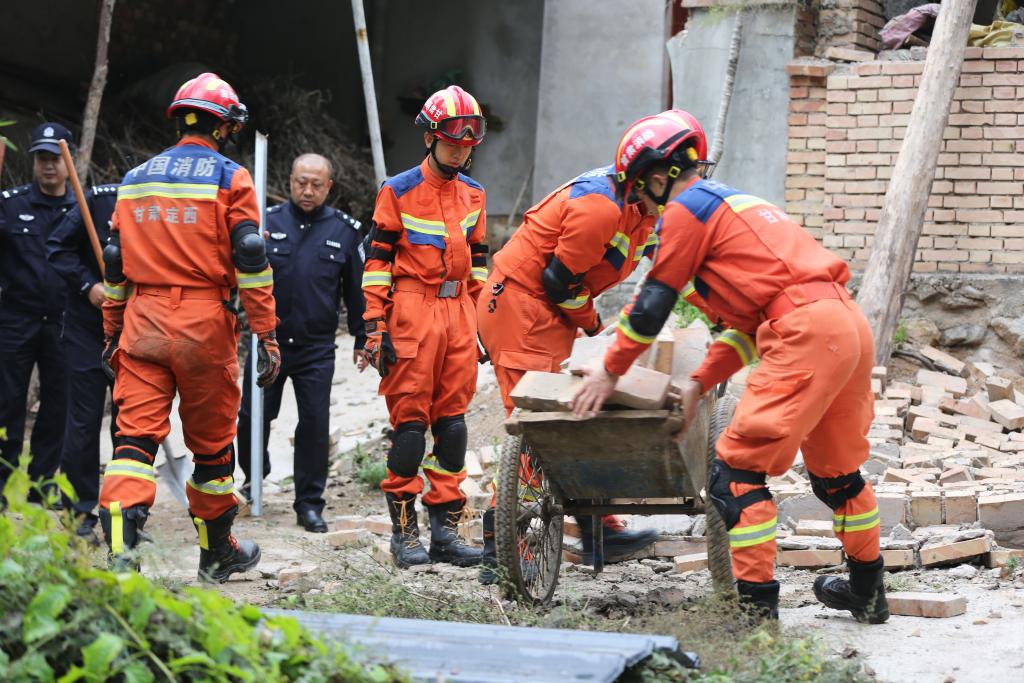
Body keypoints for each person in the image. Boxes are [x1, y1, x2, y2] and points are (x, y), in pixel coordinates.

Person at [572, 110, 887, 624]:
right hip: (844, 322)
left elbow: (652, 303)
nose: (640, 204)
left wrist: (610, 369)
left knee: (736, 475)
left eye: (639, 191)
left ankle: (756, 616)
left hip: (805, 329)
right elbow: (746, 329)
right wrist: (699, 381)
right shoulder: (741, 206)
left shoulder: (686, 209)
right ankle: (868, 594)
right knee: (839, 477)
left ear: (658, 176)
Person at [97, 72, 280, 582]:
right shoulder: (230, 178)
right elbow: (250, 255)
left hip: (143, 321)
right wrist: (266, 332)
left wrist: (111, 331)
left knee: (133, 443)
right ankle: (217, 554)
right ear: (224, 127)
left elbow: (115, 262)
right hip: (205, 325)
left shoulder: (136, 178)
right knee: (213, 447)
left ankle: (121, 562)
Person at [475, 164, 661, 583]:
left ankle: (599, 529)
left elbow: (672, 265)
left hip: (553, 313)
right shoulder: (599, 206)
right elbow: (559, 282)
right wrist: (594, 326)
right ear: (648, 176)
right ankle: (500, 551)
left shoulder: (644, 208)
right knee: (536, 429)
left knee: (574, 416)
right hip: (523, 308)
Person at [362, 85, 487, 568]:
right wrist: (374, 326)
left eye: (467, 144)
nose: (460, 151)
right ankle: (404, 534)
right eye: (452, 142)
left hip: (459, 312)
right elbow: (377, 263)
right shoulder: (397, 191)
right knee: (411, 427)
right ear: (430, 138)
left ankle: (446, 533)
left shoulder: (474, 194)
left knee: (452, 426)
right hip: (412, 309)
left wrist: (481, 323)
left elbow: (479, 263)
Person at [237, 153, 367, 533]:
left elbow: (356, 290)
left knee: (313, 424)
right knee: (252, 418)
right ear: (290, 181)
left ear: (329, 187)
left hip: (316, 349)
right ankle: (254, 477)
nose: (307, 190)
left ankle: (309, 503)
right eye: (301, 182)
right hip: (268, 342)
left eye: (316, 184)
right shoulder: (266, 223)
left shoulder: (345, 230)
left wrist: (362, 336)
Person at [0, 123, 76, 500]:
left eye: (55, 159)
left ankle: (43, 486)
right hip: (16, 320)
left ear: (69, 161)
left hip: (63, 322)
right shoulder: (9, 205)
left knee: (57, 405)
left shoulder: (82, 209)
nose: (48, 166)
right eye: (42, 158)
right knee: (7, 402)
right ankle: (2, 484)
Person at [46, 182, 119, 539]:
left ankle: (124, 512)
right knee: (84, 423)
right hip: (87, 331)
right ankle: (79, 512)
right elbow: (57, 247)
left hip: (135, 331)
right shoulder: (97, 201)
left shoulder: (161, 206)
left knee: (131, 426)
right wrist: (88, 285)